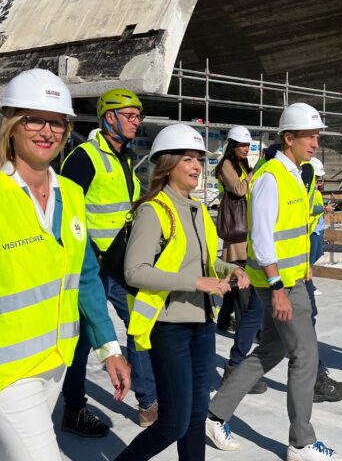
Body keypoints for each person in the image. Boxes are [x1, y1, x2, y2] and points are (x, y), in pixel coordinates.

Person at [0, 69, 130, 460]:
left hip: (56, 362)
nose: (47, 131)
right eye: (33, 119)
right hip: (5, 371)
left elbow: (87, 280)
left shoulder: (73, 196)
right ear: (10, 125)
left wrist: (109, 346)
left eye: (57, 121)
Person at [206, 102, 342, 461]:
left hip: (289, 278)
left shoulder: (295, 175)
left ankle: (214, 414)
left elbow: (291, 233)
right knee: (305, 355)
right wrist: (280, 288)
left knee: (271, 351)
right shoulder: (271, 177)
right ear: (288, 138)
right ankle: (301, 442)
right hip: (279, 284)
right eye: (309, 136)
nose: (315, 142)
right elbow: (263, 238)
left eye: (317, 135)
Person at [114, 124, 248, 461]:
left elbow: (204, 261)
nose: (196, 166)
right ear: (167, 164)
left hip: (202, 325)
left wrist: (228, 269)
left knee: (194, 419)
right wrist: (196, 283)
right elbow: (135, 270)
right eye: (187, 159)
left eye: (199, 160)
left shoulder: (199, 210)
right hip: (170, 327)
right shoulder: (153, 210)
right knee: (172, 422)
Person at [58, 88, 158, 434]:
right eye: (129, 115)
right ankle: (73, 409)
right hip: (93, 267)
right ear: (109, 117)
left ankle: (148, 402)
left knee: (139, 325)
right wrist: (88, 255)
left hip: (124, 263)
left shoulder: (126, 157)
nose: (136, 121)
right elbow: (66, 213)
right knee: (86, 339)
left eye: (138, 116)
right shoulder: (84, 158)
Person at [213, 125, 268, 395]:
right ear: (232, 145)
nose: (246, 150)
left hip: (248, 233)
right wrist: (258, 171)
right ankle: (237, 369)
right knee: (246, 298)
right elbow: (238, 189)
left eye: (248, 146)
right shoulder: (227, 164)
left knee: (237, 292)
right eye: (242, 146)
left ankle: (224, 321)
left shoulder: (243, 163)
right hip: (237, 237)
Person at [302, 157, 342, 403]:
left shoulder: (305, 187)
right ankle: (316, 380)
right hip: (287, 277)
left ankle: (316, 379)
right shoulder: (291, 186)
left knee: (282, 339)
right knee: (302, 326)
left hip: (293, 272)